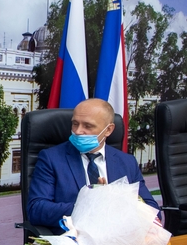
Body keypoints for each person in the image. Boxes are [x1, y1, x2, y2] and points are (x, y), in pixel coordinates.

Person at [27, 98, 159, 235]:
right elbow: (36, 210)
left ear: (108, 130)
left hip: (119, 243)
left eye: (87, 126)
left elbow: (153, 212)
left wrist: (115, 202)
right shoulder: (51, 158)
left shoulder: (126, 162)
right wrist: (91, 204)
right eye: (75, 124)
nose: (78, 131)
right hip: (73, 244)